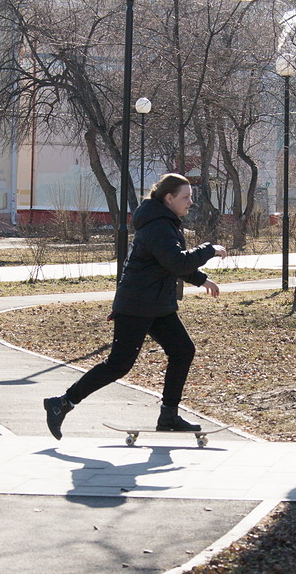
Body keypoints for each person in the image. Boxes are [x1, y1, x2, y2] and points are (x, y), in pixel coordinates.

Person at [44, 173, 226, 440]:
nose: (190, 203)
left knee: (182, 350)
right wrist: (208, 249)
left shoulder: (164, 223)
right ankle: (62, 403)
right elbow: (176, 262)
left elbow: (168, 263)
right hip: (137, 306)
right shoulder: (158, 226)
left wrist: (201, 279)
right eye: (185, 198)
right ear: (169, 198)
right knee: (118, 365)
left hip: (156, 305)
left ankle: (169, 415)